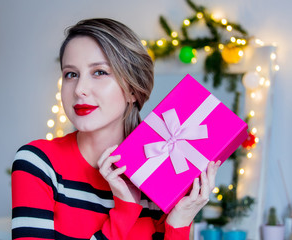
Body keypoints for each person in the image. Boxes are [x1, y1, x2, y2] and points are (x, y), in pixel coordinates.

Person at [11, 18, 221, 240]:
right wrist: (124, 212)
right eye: (71, 74)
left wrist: (180, 222)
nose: (80, 89)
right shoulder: (39, 163)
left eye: (99, 72)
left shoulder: (159, 174)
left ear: (132, 89)